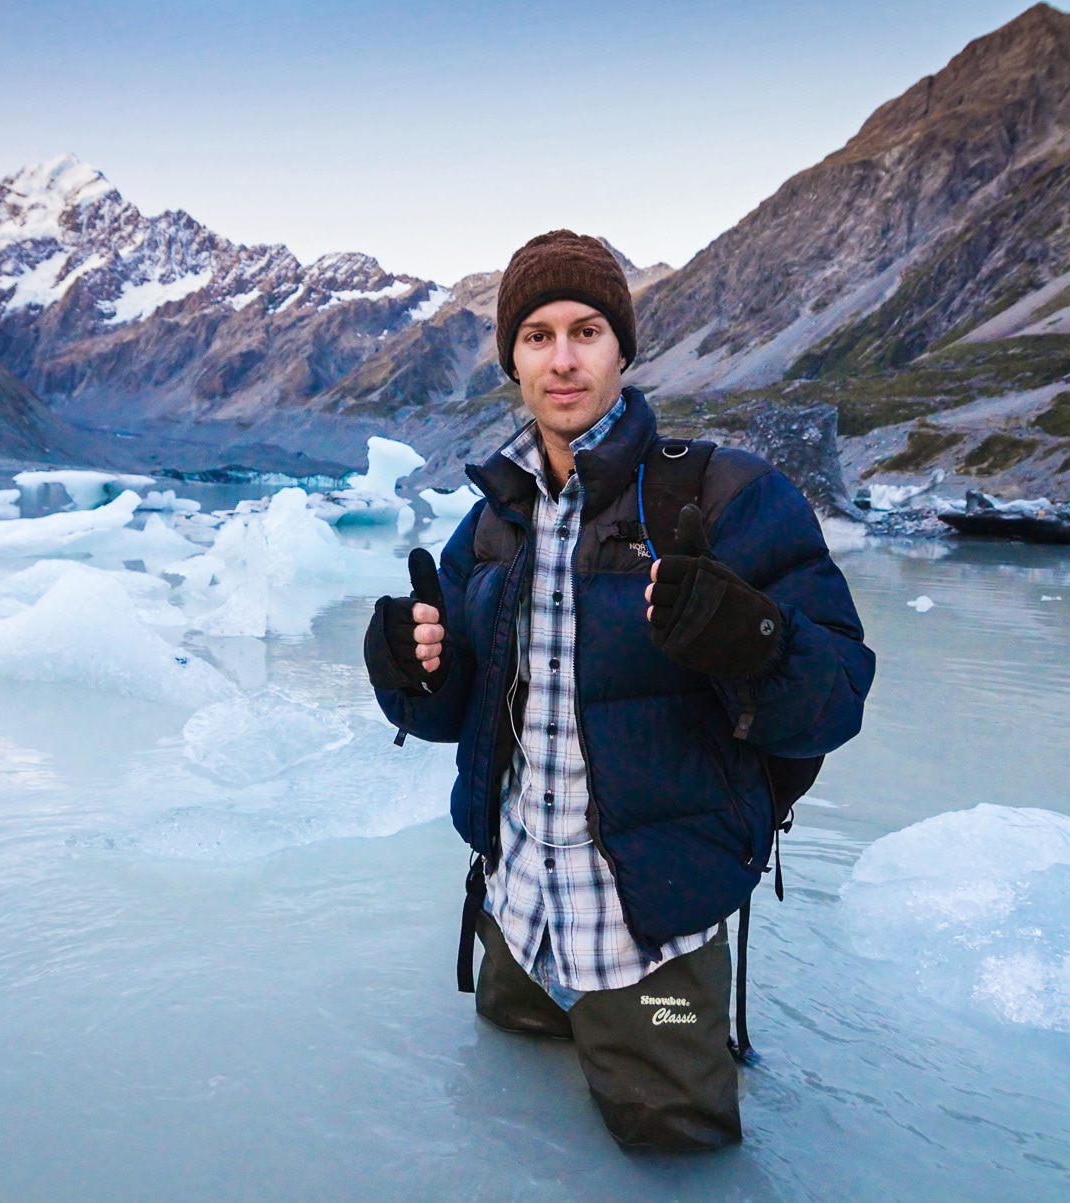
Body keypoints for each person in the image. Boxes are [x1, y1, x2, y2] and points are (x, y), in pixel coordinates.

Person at [364, 230, 873, 1151]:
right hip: (513, 916)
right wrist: (406, 673)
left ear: (624, 349)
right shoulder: (490, 523)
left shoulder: (723, 499)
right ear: (512, 360)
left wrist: (754, 639)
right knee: (513, 1116)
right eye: (537, 335)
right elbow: (459, 715)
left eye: (587, 330)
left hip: (651, 936)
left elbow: (837, 695)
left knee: (674, 1154)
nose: (562, 359)